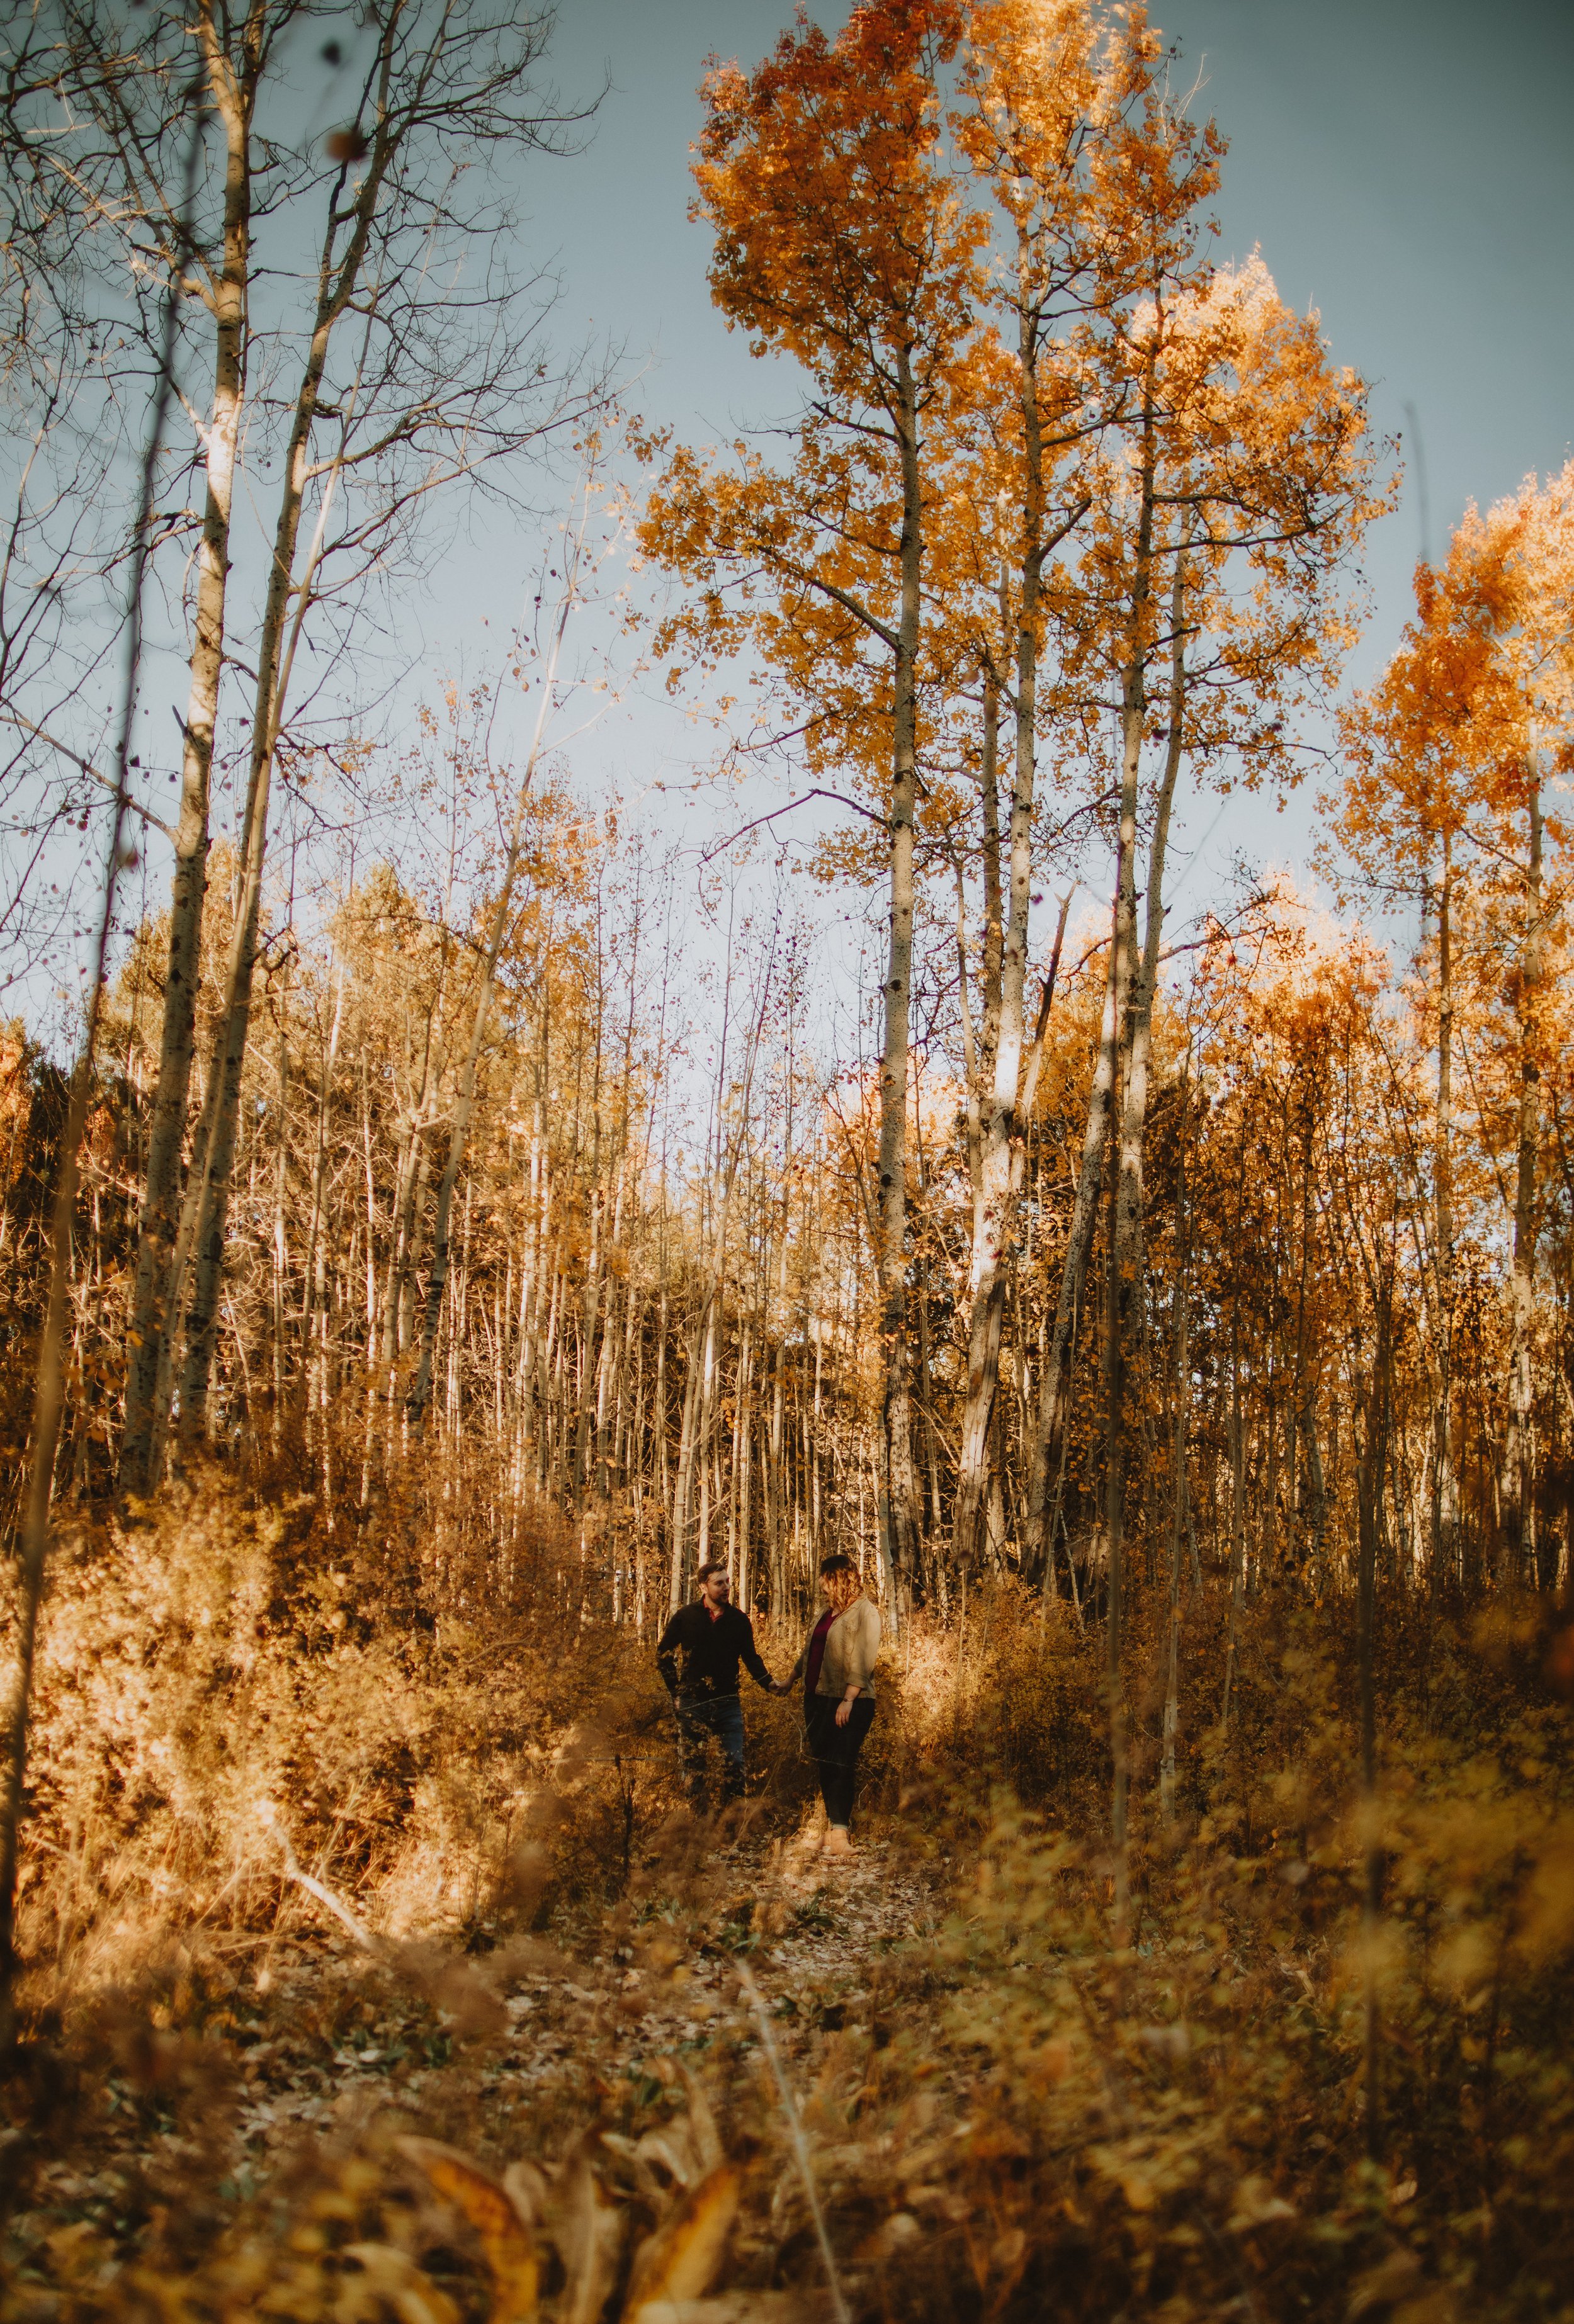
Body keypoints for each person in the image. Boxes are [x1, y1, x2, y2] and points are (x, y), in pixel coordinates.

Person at [656, 1560, 778, 1812]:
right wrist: (676, 1693)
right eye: (719, 1583)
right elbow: (663, 1654)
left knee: (733, 1764)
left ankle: (732, 1822)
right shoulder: (686, 1617)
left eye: (727, 1582)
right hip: (693, 1703)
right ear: (704, 1587)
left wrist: (769, 1684)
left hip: (728, 1704)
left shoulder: (739, 1621)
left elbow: (751, 1658)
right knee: (694, 1766)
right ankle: (697, 1824)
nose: (726, 1587)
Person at [781, 1552, 880, 1857]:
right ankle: (831, 1832)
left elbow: (864, 1659)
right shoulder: (826, 1614)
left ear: (838, 1580)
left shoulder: (866, 1612)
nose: (821, 1586)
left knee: (841, 1761)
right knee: (825, 1762)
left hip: (850, 1700)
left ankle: (841, 1834)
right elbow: (809, 1652)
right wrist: (790, 1679)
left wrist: (848, 1699)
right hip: (817, 1699)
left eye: (825, 1580)